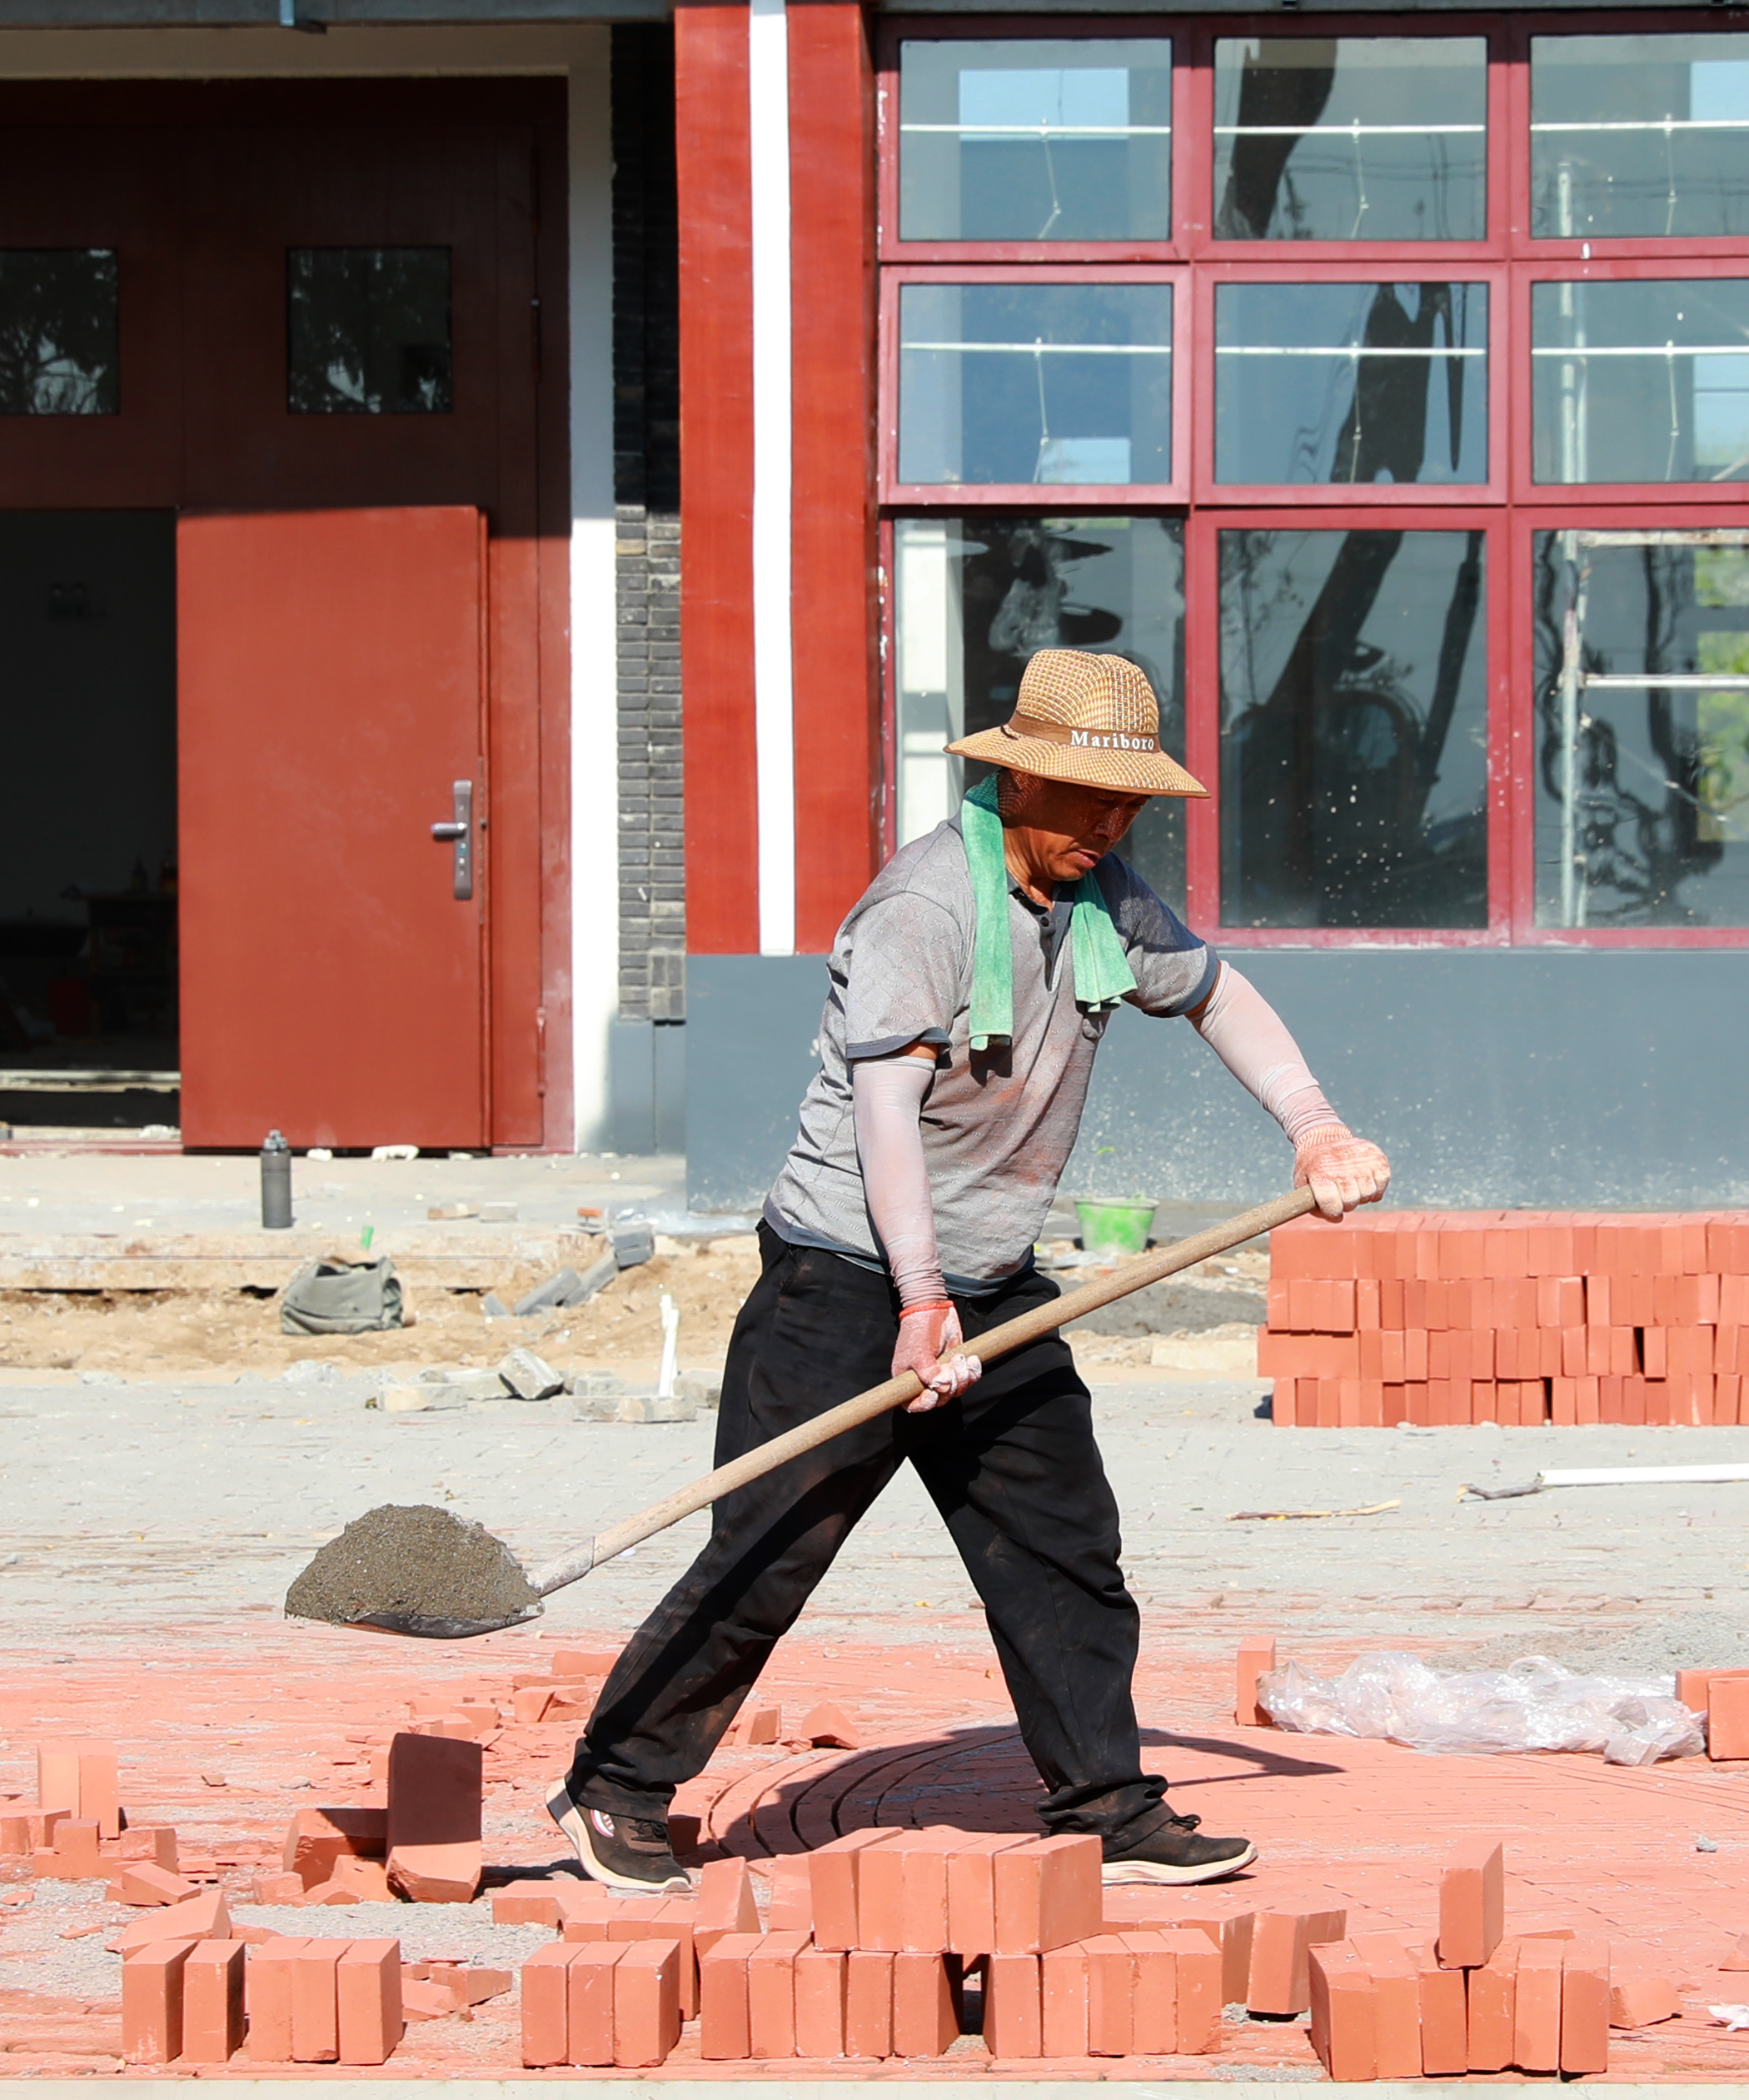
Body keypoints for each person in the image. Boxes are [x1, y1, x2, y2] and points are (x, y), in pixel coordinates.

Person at [546, 649, 1391, 1895]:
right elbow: (886, 1114)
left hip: (991, 1285)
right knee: (769, 1541)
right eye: (1085, 802)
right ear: (1017, 781)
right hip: (844, 1275)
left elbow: (1218, 994)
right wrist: (917, 1298)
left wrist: (1314, 1125)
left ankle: (1105, 1799)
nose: (1109, 827)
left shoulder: (1100, 896)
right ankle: (615, 1786)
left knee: (1062, 1543)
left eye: (1127, 806)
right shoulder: (926, 908)